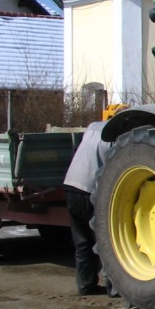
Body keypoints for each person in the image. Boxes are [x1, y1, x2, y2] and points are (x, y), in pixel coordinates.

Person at [63, 121, 112, 295]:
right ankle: (113, 287)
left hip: (71, 186)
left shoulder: (92, 128)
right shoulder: (115, 136)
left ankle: (85, 285)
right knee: (107, 241)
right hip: (92, 191)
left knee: (83, 241)